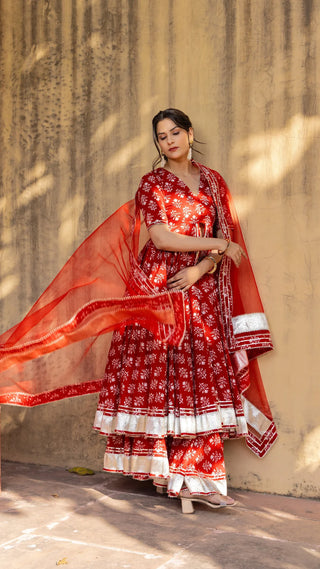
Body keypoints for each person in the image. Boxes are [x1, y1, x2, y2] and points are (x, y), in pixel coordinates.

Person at [93, 108, 275, 514]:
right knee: (165, 379)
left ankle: (196, 479)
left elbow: (222, 241)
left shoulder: (212, 181)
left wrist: (203, 265)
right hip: (160, 290)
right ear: (157, 144)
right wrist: (217, 247)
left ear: (190, 134)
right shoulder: (152, 183)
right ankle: (172, 474)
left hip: (201, 290)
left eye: (176, 132)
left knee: (200, 381)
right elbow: (161, 237)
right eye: (162, 136)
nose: (170, 140)